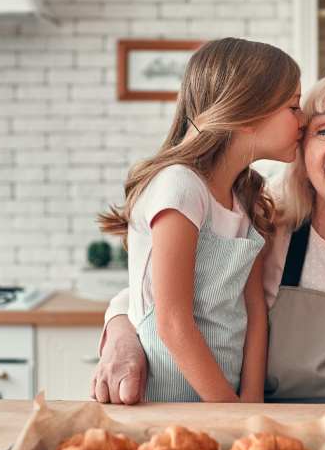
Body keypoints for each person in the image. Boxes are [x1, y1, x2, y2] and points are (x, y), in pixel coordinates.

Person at [93, 70, 325, 405]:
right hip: (272, 444)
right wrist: (121, 337)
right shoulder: (267, 233)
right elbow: (154, 289)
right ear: (302, 149)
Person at [97, 37, 305, 403]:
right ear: (248, 115)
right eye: (294, 107)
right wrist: (230, 411)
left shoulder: (247, 199)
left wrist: (250, 403)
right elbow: (173, 324)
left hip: (226, 401)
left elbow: (254, 310)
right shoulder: (180, 186)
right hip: (166, 404)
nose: (303, 120)